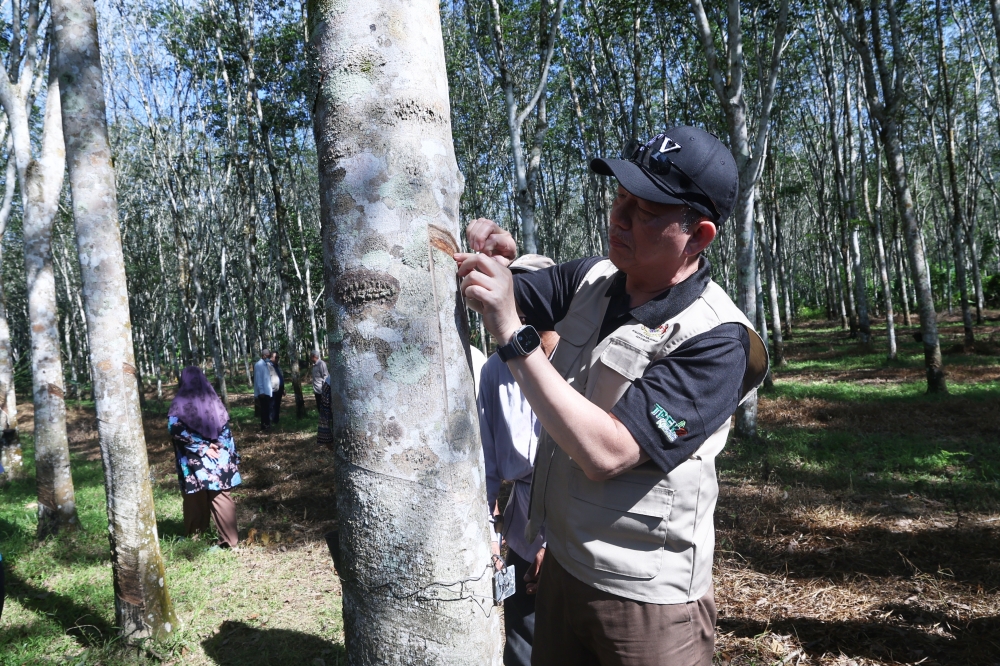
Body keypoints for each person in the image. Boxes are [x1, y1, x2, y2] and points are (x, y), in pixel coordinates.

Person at [455, 126, 768, 665]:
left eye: (645, 212)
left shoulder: (719, 339)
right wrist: (494, 261)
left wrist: (514, 336)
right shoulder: (593, 280)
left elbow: (608, 452)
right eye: (620, 198)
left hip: (647, 603)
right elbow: (501, 291)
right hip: (560, 569)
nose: (619, 218)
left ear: (699, 236)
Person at [478, 254, 557, 666]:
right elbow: (488, 464)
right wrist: (491, 537)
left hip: (573, 525)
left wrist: (553, 543)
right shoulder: (494, 372)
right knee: (523, 638)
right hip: (522, 525)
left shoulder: (578, 361)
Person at [168, 366, 242, 548]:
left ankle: (196, 535)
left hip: (195, 461)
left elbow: (176, 430)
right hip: (220, 457)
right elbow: (225, 428)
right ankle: (226, 540)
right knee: (221, 496)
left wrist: (202, 447)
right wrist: (220, 448)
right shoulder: (214, 400)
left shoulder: (179, 403)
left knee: (195, 497)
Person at [253, 349, 273, 432]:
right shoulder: (258, 365)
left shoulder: (266, 364)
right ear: (264, 355)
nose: (269, 357)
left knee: (267, 410)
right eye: (268, 356)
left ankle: (267, 425)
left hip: (267, 391)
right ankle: (264, 426)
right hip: (263, 392)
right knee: (264, 410)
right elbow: (259, 379)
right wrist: (261, 391)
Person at [269, 351, 285, 424]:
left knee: (277, 405)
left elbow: (280, 376)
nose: (277, 359)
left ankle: (276, 420)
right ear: (271, 357)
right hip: (272, 389)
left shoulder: (278, 366)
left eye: (278, 357)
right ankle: (271, 420)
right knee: (272, 405)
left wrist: (283, 388)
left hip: (280, 388)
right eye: (276, 357)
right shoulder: (268, 366)